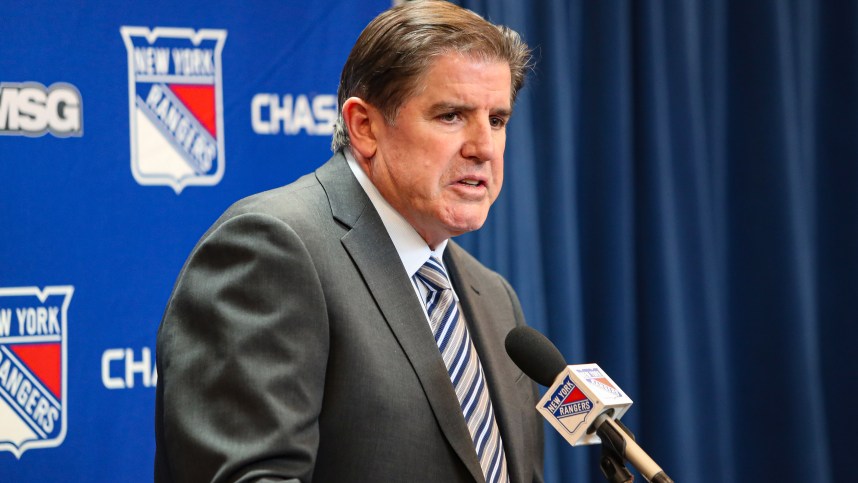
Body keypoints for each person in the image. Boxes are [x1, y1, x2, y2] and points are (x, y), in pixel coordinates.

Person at [154, 1, 543, 482]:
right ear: (365, 127)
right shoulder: (271, 249)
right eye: (451, 116)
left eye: (498, 120)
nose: (483, 147)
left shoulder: (494, 298)